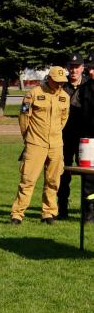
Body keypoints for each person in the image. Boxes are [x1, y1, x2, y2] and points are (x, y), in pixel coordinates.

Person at [9, 66, 70, 224]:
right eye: (56, 81)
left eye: (62, 82)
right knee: (28, 180)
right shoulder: (33, 94)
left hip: (56, 145)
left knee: (53, 181)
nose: (59, 84)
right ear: (49, 78)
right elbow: (24, 117)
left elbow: (64, 119)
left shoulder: (65, 97)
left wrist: (55, 134)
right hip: (35, 143)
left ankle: (48, 213)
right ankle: (17, 214)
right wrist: (28, 137)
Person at [57, 53, 89, 220]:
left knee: (88, 176)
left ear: (83, 68)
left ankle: (88, 211)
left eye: (77, 67)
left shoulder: (89, 85)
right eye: (71, 67)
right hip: (64, 137)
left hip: (85, 139)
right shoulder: (60, 86)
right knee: (63, 174)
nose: (74, 70)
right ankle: (62, 209)